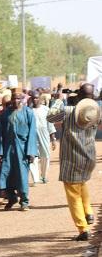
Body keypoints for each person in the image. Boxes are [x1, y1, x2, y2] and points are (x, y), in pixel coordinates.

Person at [48, 83, 102, 240]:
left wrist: (59, 99)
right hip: (89, 157)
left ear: (78, 96)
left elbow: (51, 116)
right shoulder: (96, 113)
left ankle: (83, 229)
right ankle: (89, 213)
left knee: (73, 194)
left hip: (72, 159)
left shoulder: (69, 111)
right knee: (82, 183)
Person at [0, 89, 38, 211]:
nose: (15, 101)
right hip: (8, 149)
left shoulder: (28, 113)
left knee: (22, 175)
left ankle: (24, 201)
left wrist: (31, 152)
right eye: (13, 98)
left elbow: (33, 133)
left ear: (22, 99)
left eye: (18, 98)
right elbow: (0, 134)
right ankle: (12, 198)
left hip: (22, 149)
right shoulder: (4, 114)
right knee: (7, 174)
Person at [30, 95, 54, 184]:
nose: (35, 99)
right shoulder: (29, 110)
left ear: (40, 99)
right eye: (33, 98)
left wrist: (53, 138)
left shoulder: (46, 109)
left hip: (44, 135)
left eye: (36, 98)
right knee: (33, 156)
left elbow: (50, 124)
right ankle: (36, 179)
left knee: (45, 156)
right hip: (32, 136)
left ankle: (43, 176)